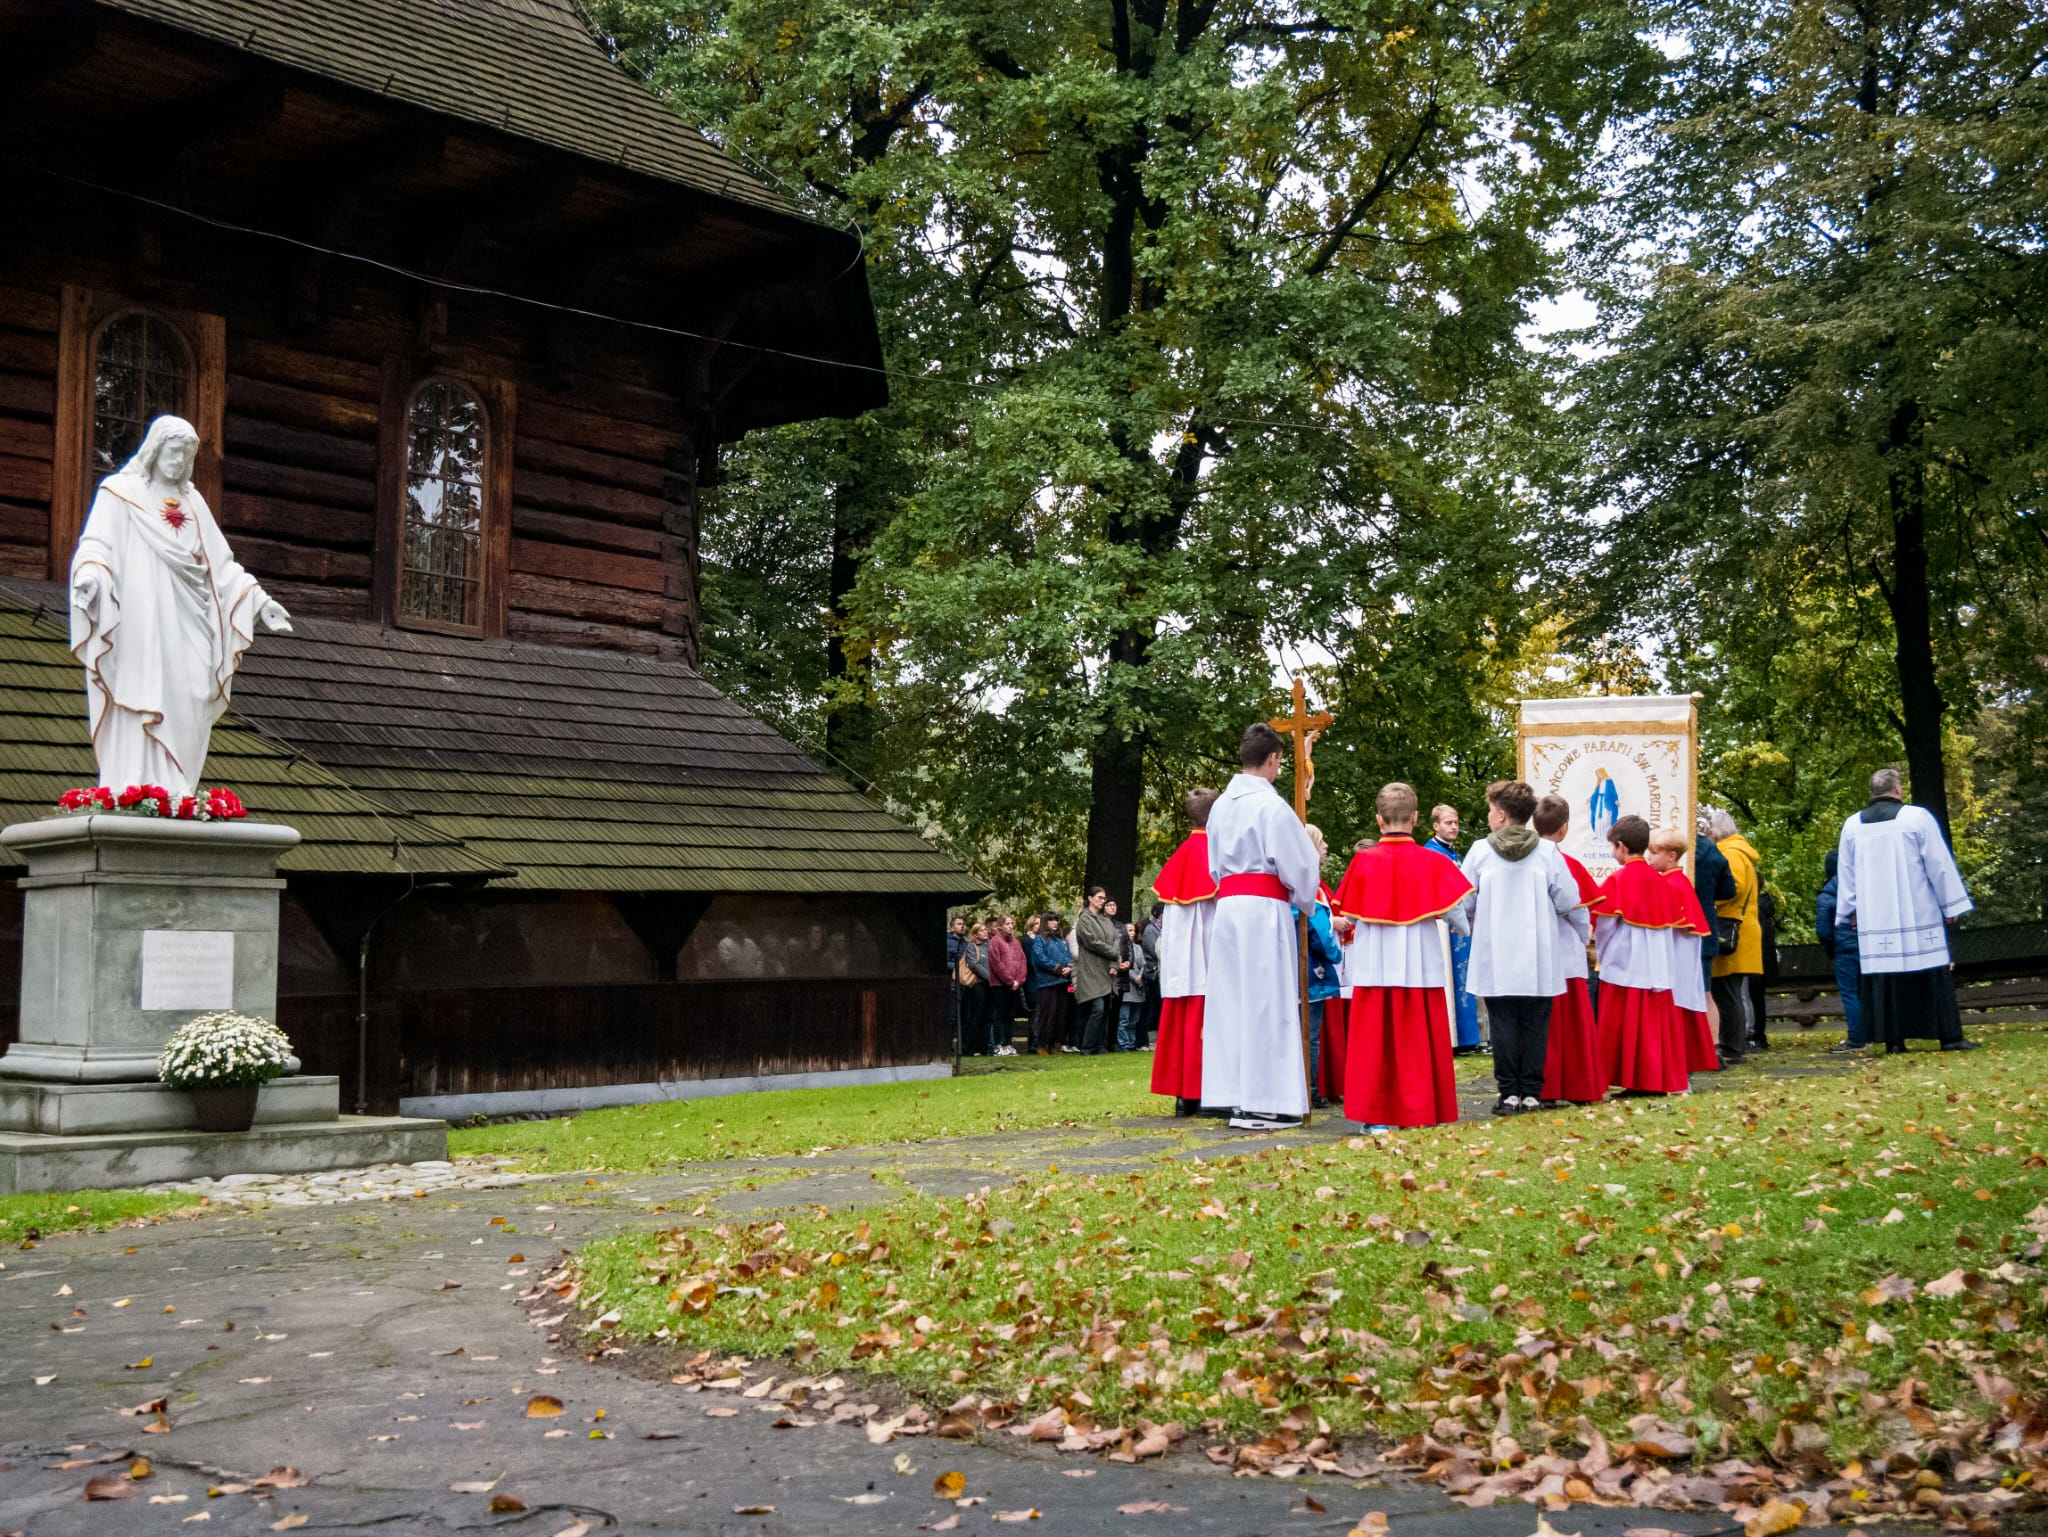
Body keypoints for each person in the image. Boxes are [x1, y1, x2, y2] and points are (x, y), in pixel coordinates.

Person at [1202, 723, 1323, 1130]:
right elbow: (1301, 864)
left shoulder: (1221, 805)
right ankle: (1266, 1101)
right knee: (1266, 1001)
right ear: (1273, 760)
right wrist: (1305, 897)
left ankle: (1235, 1096)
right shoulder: (1272, 808)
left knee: (1233, 1000)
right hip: (1263, 910)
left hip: (1229, 908)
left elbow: (1214, 864)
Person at [1333, 782, 1472, 1130]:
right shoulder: (1432, 861)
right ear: (1415, 819)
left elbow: (1346, 915)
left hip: (1374, 966)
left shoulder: (1363, 862)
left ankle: (1375, 1118)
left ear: (1379, 820)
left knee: (1373, 1043)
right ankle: (1420, 1112)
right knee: (1418, 1042)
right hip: (1419, 964)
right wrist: (1462, 928)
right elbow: (1458, 910)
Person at [1459, 780, 1588, 1116]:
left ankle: (1508, 1094)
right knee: (1535, 1023)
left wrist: (1470, 922)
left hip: (1496, 951)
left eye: (1490, 811)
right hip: (1538, 951)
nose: (1489, 816)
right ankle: (1531, 1093)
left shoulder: (1480, 851)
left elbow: (1463, 900)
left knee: (1501, 1024)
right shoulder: (1546, 853)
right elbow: (1568, 899)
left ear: (1501, 816)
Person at [1838, 767, 1977, 1053]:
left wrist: (1850, 910)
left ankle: (1894, 1040)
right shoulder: (1918, 817)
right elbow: (1939, 864)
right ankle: (1949, 1037)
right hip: (1919, 912)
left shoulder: (1852, 825)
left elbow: (1846, 872)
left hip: (1876, 918)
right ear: (1898, 790)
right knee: (1931, 973)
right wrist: (1950, 904)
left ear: (1872, 792)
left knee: (1887, 977)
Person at [1593, 815, 1698, 1096]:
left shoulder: (1617, 880)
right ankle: (1652, 1082)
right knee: (1653, 1029)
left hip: (1624, 965)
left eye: (1613, 848)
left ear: (1621, 846)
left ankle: (1632, 1081)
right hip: (1657, 968)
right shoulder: (1664, 882)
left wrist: (1601, 955)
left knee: (1623, 1027)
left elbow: (1603, 925)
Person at [1151, 788, 1220, 1114]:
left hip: (1181, 965)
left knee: (1183, 1028)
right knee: (1207, 1027)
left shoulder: (1179, 858)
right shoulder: (1218, 856)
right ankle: (1206, 1094)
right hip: (1209, 961)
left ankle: (1184, 1095)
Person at [1533, 794, 1605, 1105]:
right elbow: (1580, 911)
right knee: (1573, 1025)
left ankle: (1543, 1089)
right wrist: (1582, 936)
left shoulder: (1522, 863)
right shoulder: (1567, 864)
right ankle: (1580, 1087)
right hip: (1566, 954)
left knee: (1541, 1026)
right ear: (1564, 829)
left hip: (1535, 955)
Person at [1649, 827, 1718, 1073]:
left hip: (1678, 959)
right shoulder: (1676, 881)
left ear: (1671, 855)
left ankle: (1678, 1068)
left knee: (1678, 1007)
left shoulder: (1673, 883)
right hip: (1681, 956)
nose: (1650, 857)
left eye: (1655, 852)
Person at [1424, 804, 1484, 1054]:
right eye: (1448, 823)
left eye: (1456, 822)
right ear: (1435, 825)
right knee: (1450, 978)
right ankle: (1453, 1038)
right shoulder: (1431, 852)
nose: (1454, 827)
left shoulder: (1454, 853)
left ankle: (1470, 1036)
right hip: (1442, 925)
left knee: (1465, 977)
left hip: (1461, 924)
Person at [1708, 808, 1764, 1065]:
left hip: (1732, 929)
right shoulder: (1739, 851)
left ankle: (1732, 1046)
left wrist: (1709, 901)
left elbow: (1734, 888)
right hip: (1743, 929)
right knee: (1730, 991)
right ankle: (1734, 1045)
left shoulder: (1730, 854)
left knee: (1727, 992)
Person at [1303, 828, 1345, 1109]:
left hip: (1304, 971)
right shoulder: (1309, 884)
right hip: (1312, 971)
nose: (1326, 846)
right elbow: (1315, 927)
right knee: (1310, 1035)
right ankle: (1312, 1090)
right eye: (1321, 842)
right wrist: (1334, 948)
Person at [1815, 851, 1864, 1051]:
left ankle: (1856, 1037)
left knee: (1850, 993)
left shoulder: (1827, 896)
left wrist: (1831, 948)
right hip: (1867, 948)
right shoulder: (1861, 889)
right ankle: (1871, 1032)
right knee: (1866, 992)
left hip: (1844, 950)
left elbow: (1823, 931)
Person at [1693, 816, 1737, 1038]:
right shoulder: (1712, 851)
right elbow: (1729, 890)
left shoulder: (1665, 847)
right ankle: (1713, 1046)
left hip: (1677, 925)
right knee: (1706, 992)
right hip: (1705, 924)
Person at [1071, 887, 1122, 1055]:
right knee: (1097, 1008)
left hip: (1106, 970)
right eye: (1099, 897)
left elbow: (1116, 939)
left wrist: (1114, 964)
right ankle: (1086, 1046)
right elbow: (1091, 941)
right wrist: (1113, 953)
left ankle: (1099, 1045)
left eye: (1104, 898)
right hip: (1091, 970)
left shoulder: (1106, 920)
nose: (1102, 900)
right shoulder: (1085, 919)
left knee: (1105, 1009)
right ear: (1090, 898)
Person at [1027, 914, 1074, 1054]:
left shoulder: (1060, 940)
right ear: (1045, 923)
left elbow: (1068, 956)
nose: (1055, 923)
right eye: (1051, 920)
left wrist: (1069, 967)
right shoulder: (1040, 940)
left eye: (1056, 920)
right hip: (1047, 982)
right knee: (1048, 1015)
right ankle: (1042, 1044)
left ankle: (1055, 1044)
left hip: (1062, 981)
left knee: (1060, 1016)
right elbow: (1040, 958)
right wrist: (1058, 968)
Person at [988, 915, 1028, 1056]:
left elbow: (1023, 961)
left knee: (1011, 1015)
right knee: (1000, 1015)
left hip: (1015, 985)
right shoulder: (995, 942)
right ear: (1000, 926)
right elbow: (997, 964)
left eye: (1012, 923)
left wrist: (1019, 980)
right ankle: (998, 1044)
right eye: (1007, 923)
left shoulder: (1016, 943)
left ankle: (1008, 1043)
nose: (1011, 926)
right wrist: (1010, 981)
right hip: (999, 985)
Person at [958, 920, 993, 1054]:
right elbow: (973, 964)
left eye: (986, 929)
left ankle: (984, 1047)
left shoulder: (990, 946)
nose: (985, 932)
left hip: (990, 986)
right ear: (975, 934)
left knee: (987, 1017)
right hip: (977, 985)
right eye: (982, 930)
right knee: (975, 1016)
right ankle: (970, 1048)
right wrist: (988, 976)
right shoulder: (972, 946)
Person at [1139, 905, 1165, 1049]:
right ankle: (1151, 1037)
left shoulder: (1159, 928)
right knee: (1153, 1006)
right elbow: (1153, 949)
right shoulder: (1151, 930)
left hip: (1159, 971)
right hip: (1153, 972)